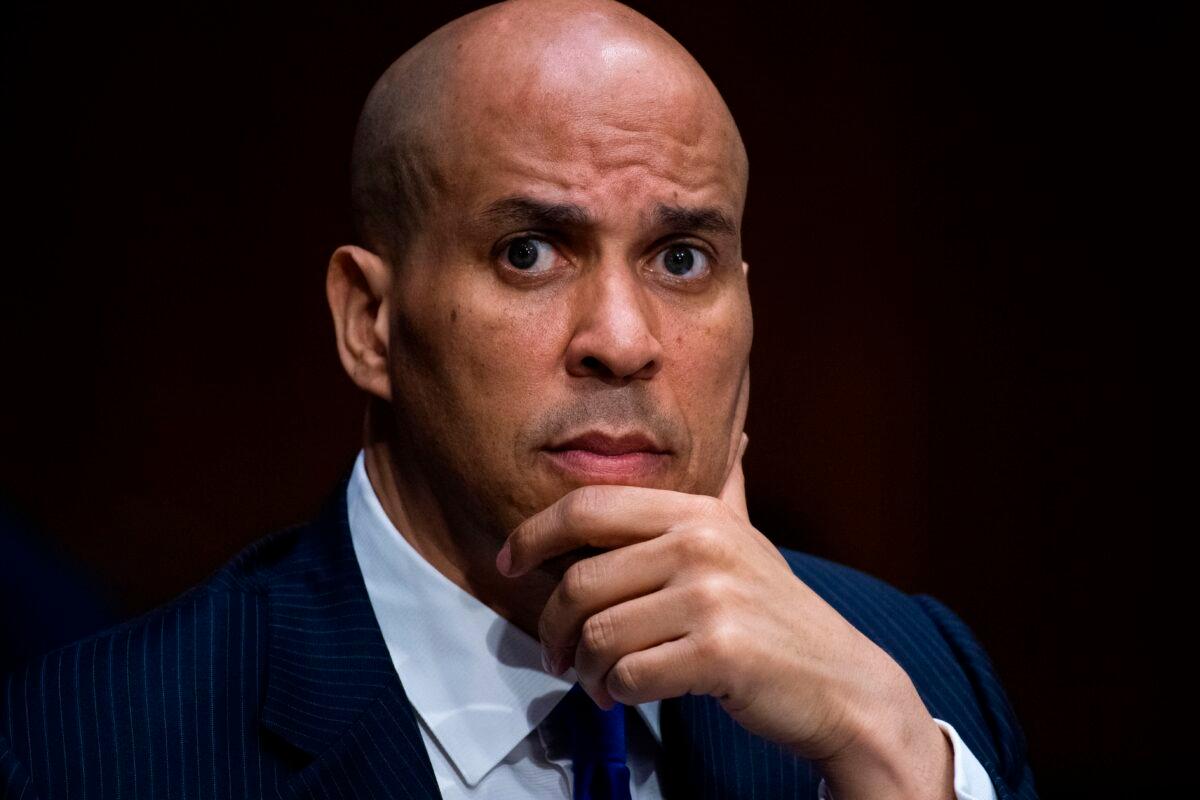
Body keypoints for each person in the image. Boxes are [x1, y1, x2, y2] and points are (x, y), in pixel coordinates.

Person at [0, 1, 1037, 798]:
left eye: (681, 258)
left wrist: (888, 757)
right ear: (370, 320)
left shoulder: (914, 678)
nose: (623, 341)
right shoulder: (87, 742)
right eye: (529, 252)